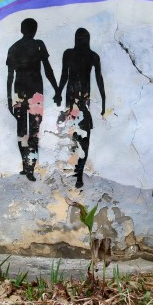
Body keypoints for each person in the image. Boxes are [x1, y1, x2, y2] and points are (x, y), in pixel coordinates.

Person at [6, 18, 58, 181]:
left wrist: (9, 98)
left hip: (21, 93)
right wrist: (56, 89)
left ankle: (27, 167)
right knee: (33, 131)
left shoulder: (15, 47)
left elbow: (10, 77)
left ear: (22, 30)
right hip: (34, 93)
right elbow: (48, 69)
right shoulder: (38, 45)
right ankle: (29, 168)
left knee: (23, 131)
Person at [54, 28, 105, 188]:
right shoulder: (70, 54)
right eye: (79, 37)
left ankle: (79, 174)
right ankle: (76, 172)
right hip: (72, 102)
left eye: (83, 38)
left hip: (82, 102)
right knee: (75, 137)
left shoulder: (92, 56)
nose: (81, 40)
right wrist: (58, 92)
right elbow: (64, 75)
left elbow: (99, 79)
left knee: (82, 138)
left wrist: (103, 100)